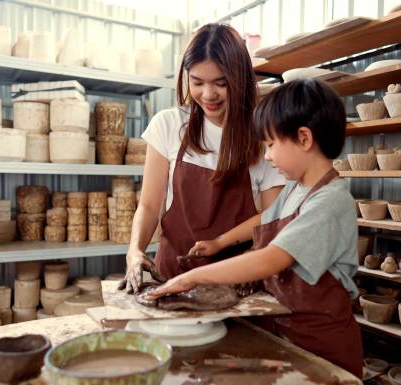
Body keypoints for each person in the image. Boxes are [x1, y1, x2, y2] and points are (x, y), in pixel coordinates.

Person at [145, 78, 364, 378]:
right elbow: (265, 219)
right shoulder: (296, 188)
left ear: (303, 138)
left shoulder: (330, 202)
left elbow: (271, 260)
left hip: (321, 347)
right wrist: (220, 242)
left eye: (272, 144)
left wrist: (190, 278)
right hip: (287, 333)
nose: (269, 156)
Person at [119, 23, 285, 293]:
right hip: (172, 276)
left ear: (240, 79)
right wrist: (134, 251)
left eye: (221, 83)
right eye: (197, 82)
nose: (208, 95)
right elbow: (149, 207)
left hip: (234, 281)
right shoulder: (169, 125)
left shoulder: (261, 137)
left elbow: (272, 217)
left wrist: (251, 257)